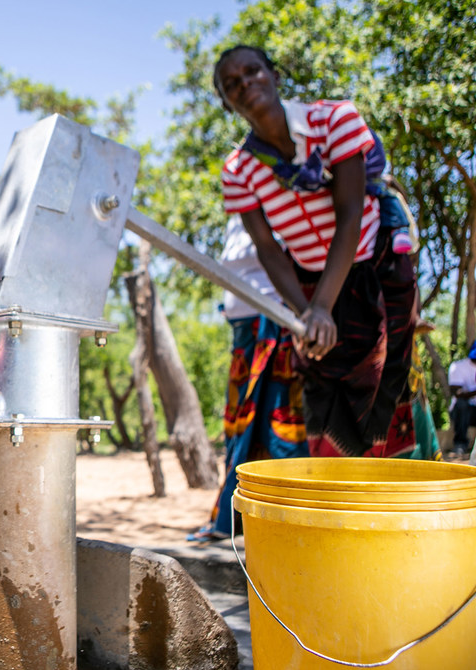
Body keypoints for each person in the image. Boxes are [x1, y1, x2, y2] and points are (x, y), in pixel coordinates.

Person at [214, 45, 418, 458]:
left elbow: (350, 217)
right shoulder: (238, 170)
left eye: (253, 71)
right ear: (226, 102)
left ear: (274, 74)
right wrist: (305, 312)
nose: (245, 84)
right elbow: (269, 251)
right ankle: (333, 505)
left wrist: (321, 307)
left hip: (373, 272)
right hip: (306, 288)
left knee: (382, 389)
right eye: (231, 84)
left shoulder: (335, 120)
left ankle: (383, 503)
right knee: (324, 396)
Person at [188, 216, 308, 542]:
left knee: (278, 423)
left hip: (278, 321)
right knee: (240, 425)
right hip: (243, 327)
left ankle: (289, 519)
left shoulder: (284, 194)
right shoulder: (239, 206)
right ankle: (238, 517)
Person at [447, 341, 476, 456]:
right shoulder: (458, 367)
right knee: (462, 404)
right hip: (462, 412)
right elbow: (457, 393)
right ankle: (460, 444)